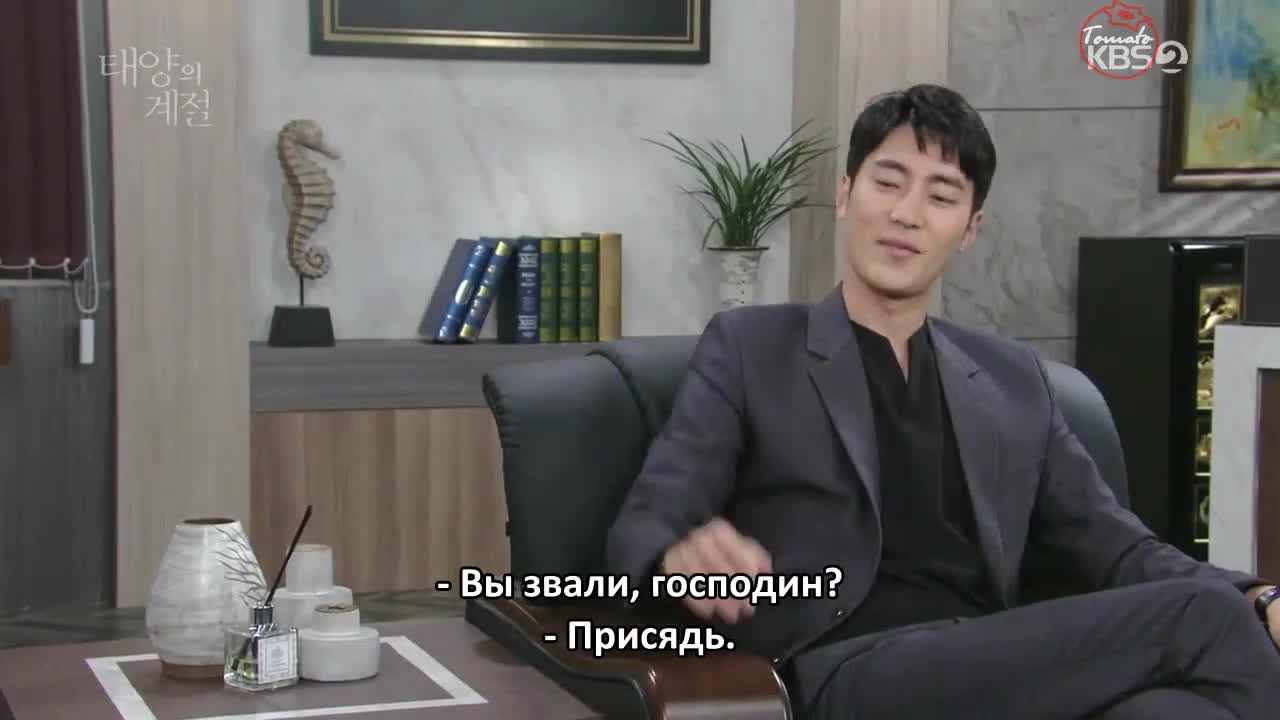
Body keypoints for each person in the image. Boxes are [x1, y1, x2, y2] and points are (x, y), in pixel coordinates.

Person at [604, 84, 1280, 720]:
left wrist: (1257, 593)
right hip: (844, 669)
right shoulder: (752, 348)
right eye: (887, 182)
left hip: (995, 668)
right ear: (845, 194)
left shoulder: (1013, 378)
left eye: (941, 195)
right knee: (1208, 620)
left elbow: (1118, 548)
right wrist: (676, 556)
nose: (906, 213)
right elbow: (646, 523)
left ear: (970, 227)